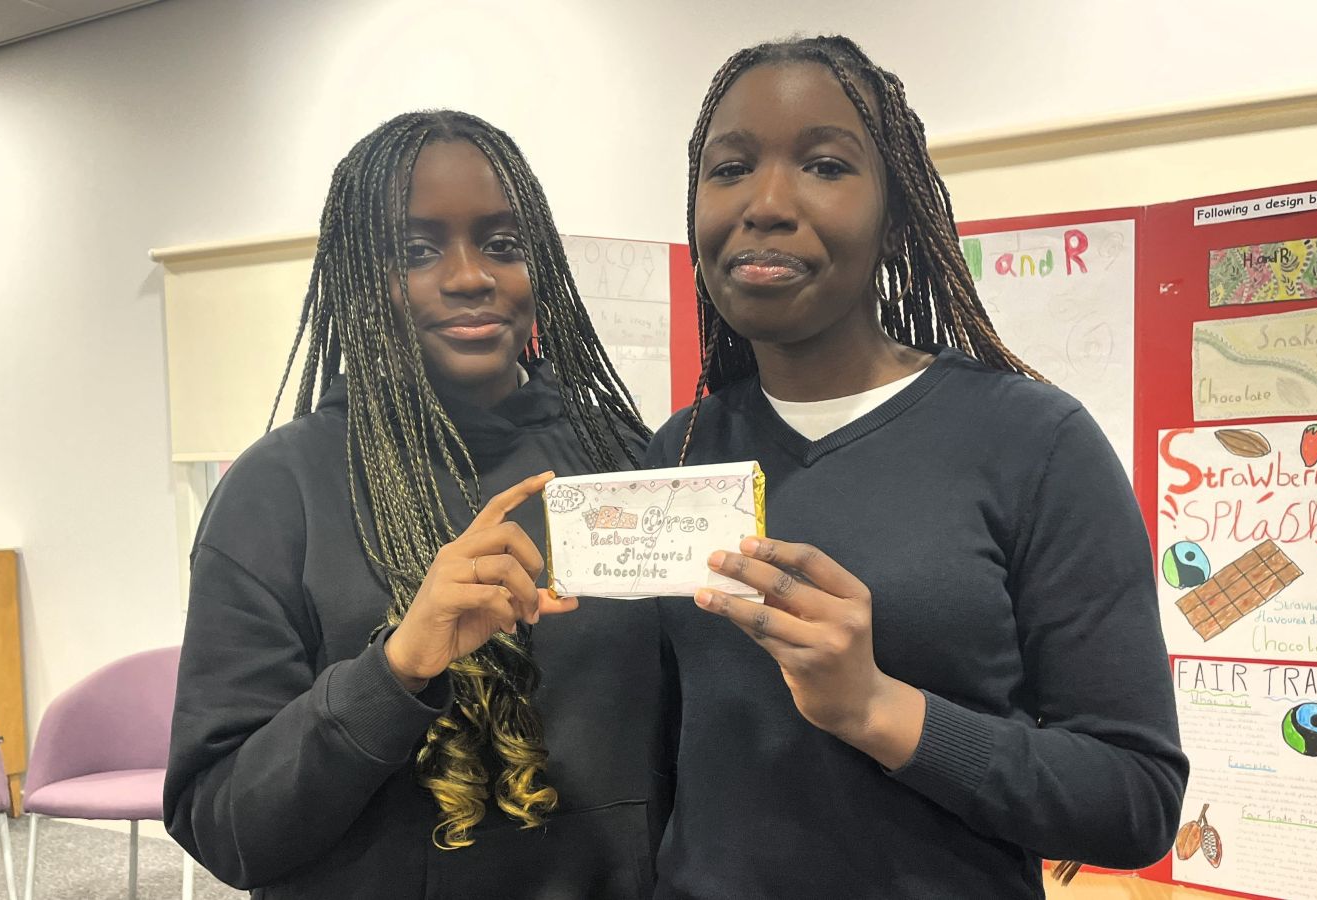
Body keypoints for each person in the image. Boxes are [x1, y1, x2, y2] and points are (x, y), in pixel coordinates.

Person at [646, 36, 1187, 898]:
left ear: (896, 217)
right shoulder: (678, 450)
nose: (766, 204)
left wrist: (877, 708)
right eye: (731, 169)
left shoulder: (1033, 442)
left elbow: (1137, 799)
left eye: (825, 166)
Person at [165, 110, 668, 899]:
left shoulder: (626, 460)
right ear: (361, 279)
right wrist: (397, 668)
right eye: (416, 252)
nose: (470, 276)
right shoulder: (276, 493)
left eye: (503, 244)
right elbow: (225, 825)